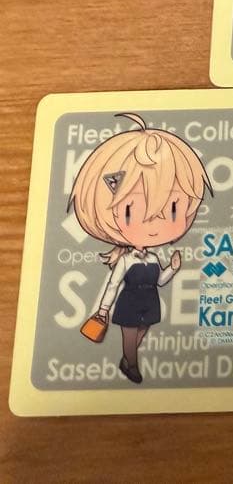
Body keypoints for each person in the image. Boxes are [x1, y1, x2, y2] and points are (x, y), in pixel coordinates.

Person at [69, 113, 211, 383]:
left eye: (173, 209)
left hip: (150, 299)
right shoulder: (125, 260)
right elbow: (113, 284)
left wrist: (173, 268)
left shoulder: (154, 256)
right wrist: (103, 310)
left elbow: (160, 280)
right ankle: (131, 366)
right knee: (130, 333)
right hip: (129, 300)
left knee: (143, 330)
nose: (154, 225)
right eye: (131, 211)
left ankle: (127, 360)